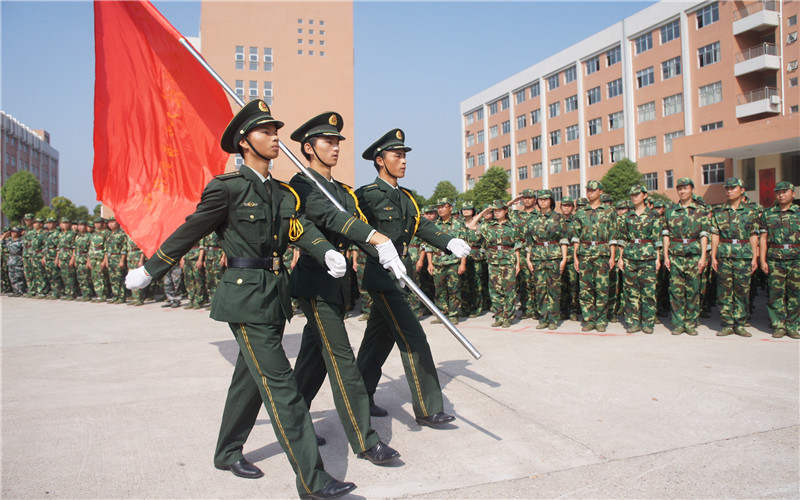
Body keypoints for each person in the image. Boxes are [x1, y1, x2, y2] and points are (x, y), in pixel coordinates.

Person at [125, 100, 356, 500]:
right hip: (244, 296)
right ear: (244, 142)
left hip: (274, 293)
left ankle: (227, 451)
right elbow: (191, 230)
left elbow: (299, 229)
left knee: (249, 379)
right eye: (266, 132)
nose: (275, 138)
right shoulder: (227, 188)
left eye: (275, 131)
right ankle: (313, 480)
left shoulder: (281, 191)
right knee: (281, 383)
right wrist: (151, 270)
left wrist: (326, 251)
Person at [287, 112, 402, 465]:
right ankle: (365, 440)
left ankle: (295, 418)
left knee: (313, 357)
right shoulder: (302, 184)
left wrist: (384, 252)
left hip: (339, 285)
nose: (336, 147)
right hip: (316, 280)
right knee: (342, 360)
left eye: (338, 141)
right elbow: (329, 217)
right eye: (328, 142)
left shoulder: (342, 190)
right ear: (308, 148)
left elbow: (356, 225)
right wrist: (376, 238)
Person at [354, 128, 470, 425]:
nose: (403, 161)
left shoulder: (405, 197)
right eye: (397, 155)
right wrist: (378, 252)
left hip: (402, 276)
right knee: (414, 338)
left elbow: (422, 227)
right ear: (380, 160)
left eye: (405, 155)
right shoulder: (366, 196)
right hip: (382, 277)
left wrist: (448, 241)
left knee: (376, 341)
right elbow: (354, 230)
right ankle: (429, 408)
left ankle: (360, 396)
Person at [710, 177, 760, 337]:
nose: (729, 191)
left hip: (744, 255)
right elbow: (715, 235)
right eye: (727, 188)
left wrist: (754, 257)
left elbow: (754, 235)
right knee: (724, 291)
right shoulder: (719, 211)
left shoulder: (751, 212)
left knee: (742, 290)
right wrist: (714, 256)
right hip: (724, 255)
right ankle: (727, 323)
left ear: (742, 190)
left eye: (733, 188)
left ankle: (740, 323)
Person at [662, 178, 708, 336]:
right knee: (676, 291)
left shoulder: (700, 211)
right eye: (679, 188)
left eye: (685, 188)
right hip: (676, 255)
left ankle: (690, 322)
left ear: (692, 190)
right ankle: (678, 322)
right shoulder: (671, 211)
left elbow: (703, 235)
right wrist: (666, 255)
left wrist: (703, 257)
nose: (682, 191)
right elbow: (666, 235)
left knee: (693, 290)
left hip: (693, 255)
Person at [571, 180, 618, 332]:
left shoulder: (609, 211)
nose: (589, 193)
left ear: (600, 192)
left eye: (593, 190)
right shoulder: (580, 212)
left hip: (602, 253)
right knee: (585, 289)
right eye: (588, 190)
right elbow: (576, 237)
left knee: (602, 288)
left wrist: (612, 257)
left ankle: (601, 320)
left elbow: (612, 236)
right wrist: (576, 257)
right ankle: (589, 319)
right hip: (584, 253)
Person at [616, 185, 662, 334]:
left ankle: (648, 322)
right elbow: (622, 238)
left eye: (637, 194)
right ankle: (633, 321)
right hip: (630, 256)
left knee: (648, 291)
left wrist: (658, 257)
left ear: (644, 195)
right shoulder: (626, 217)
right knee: (631, 291)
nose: (634, 197)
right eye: (632, 194)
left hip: (648, 256)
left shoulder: (653, 215)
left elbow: (657, 238)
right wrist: (621, 258)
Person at [468, 200, 520, 328]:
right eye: (495, 211)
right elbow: (471, 225)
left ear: (505, 211)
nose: (497, 213)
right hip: (493, 261)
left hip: (508, 260)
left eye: (499, 210)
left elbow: (517, 246)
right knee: (495, 290)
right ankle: (498, 316)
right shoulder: (488, 226)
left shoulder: (512, 226)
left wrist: (518, 263)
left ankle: (508, 317)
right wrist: (482, 213)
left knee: (509, 290)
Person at [758, 181, 800, 339]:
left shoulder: (798, 212)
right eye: (778, 192)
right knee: (776, 293)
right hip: (776, 258)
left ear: (793, 194)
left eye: (785, 191)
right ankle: (779, 325)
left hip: (796, 258)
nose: (781, 195)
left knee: (795, 293)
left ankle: (793, 325)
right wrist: (762, 260)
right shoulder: (768, 214)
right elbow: (763, 238)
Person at [525, 189, 569, 330]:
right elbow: (529, 241)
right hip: (537, 256)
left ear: (551, 201)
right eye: (540, 199)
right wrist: (528, 259)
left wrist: (563, 259)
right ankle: (543, 318)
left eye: (546, 199)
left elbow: (563, 239)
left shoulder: (558, 218)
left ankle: (554, 319)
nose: (542, 201)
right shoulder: (532, 219)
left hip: (554, 255)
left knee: (554, 289)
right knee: (540, 289)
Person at [429, 198, 467, 324]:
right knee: (439, 290)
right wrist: (429, 263)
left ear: (450, 208)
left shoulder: (458, 225)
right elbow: (428, 245)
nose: (440, 209)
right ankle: (442, 314)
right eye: (438, 207)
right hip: (438, 262)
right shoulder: (434, 226)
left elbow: (463, 246)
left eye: (443, 206)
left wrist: (462, 263)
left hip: (453, 263)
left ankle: (454, 315)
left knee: (454, 290)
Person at [510, 189, 538, 319]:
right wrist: (515, 200)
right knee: (522, 281)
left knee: (535, 280)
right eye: (525, 198)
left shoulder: (538, 215)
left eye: (530, 197)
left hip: (534, 249)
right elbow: (500, 209)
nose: (527, 200)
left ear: (534, 200)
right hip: (519, 250)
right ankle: (527, 308)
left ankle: (536, 308)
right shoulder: (516, 214)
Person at [559, 196, 580, 321]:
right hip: (559, 257)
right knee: (561, 285)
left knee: (573, 284)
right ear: (560, 206)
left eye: (569, 205)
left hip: (572, 256)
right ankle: (563, 310)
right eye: (564, 205)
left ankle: (573, 310)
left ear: (572, 207)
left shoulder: (575, 222)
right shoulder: (556, 221)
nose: (566, 207)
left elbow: (578, 239)